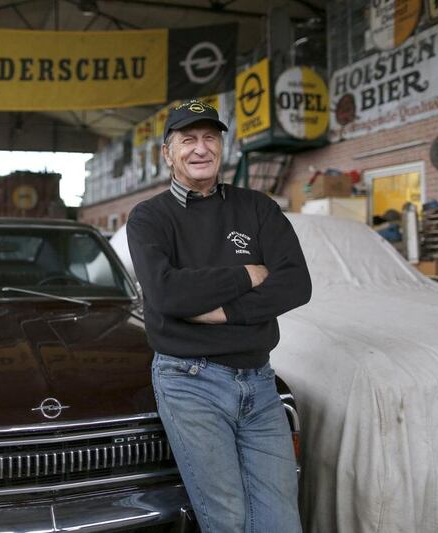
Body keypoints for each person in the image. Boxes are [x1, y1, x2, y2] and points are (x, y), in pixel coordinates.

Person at [126, 99, 311, 533]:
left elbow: (296, 284)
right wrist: (247, 272)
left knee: (282, 518)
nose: (200, 148)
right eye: (187, 139)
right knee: (226, 518)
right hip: (190, 383)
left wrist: (222, 310)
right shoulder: (149, 218)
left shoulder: (257, 208)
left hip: (260, 382)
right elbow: (167, 293)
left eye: (210, 137)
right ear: (167, 153)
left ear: (222, 147)